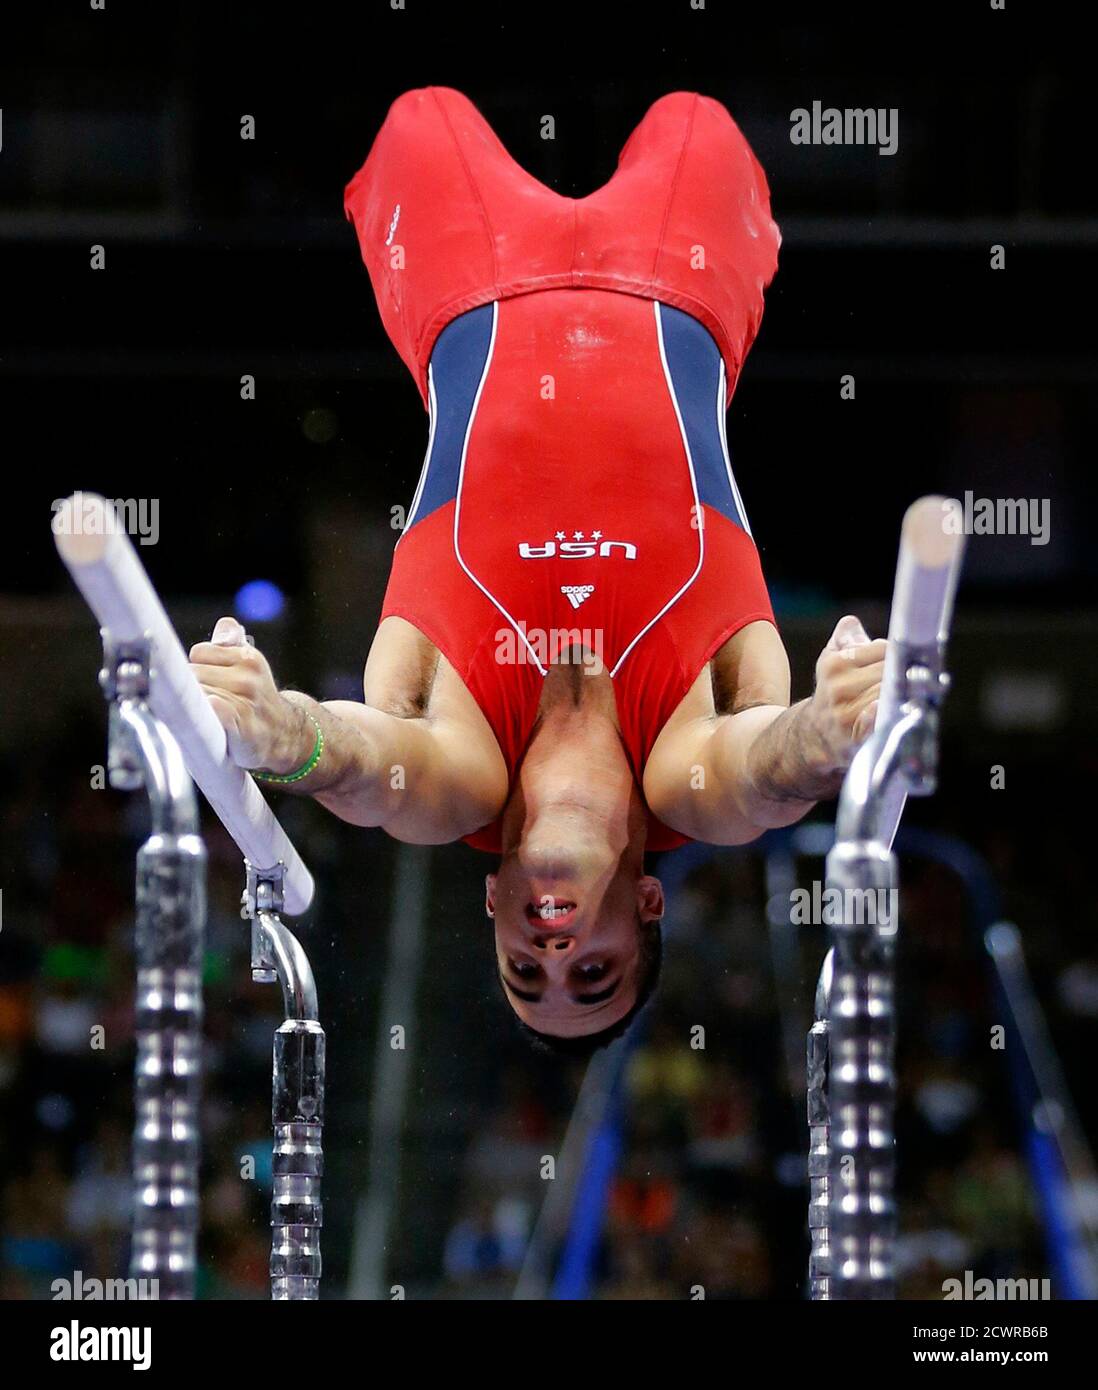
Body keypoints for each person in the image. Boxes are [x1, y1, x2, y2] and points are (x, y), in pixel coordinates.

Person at [189, 87, 885, 1054]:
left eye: (527, 969)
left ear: (493, 904)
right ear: (647, 901)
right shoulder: (691, 769)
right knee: (700, 114)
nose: (552, 946)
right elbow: (772, 769)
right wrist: (838, 734)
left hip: (469, 279)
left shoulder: (459, 771)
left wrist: (280, 737)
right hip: (676, 280)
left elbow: (363, 768)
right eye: (589, 969)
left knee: (418, 111)